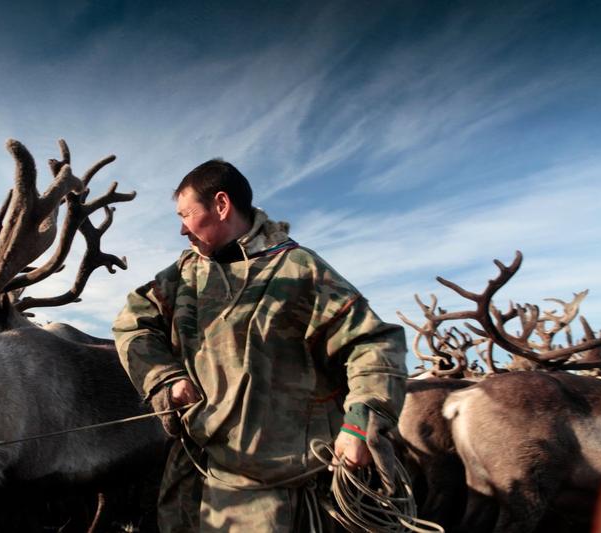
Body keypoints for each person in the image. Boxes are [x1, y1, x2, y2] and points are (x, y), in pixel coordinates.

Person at [113, 159, 407, 532]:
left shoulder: (299, 269)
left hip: (278, 487)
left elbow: (373, 344)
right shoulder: (184, 275)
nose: (181, 229)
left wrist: (363, 421)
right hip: (192, 474)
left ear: (221, 205)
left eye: (186, 214)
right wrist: (164, 377)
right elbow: (131, 324)